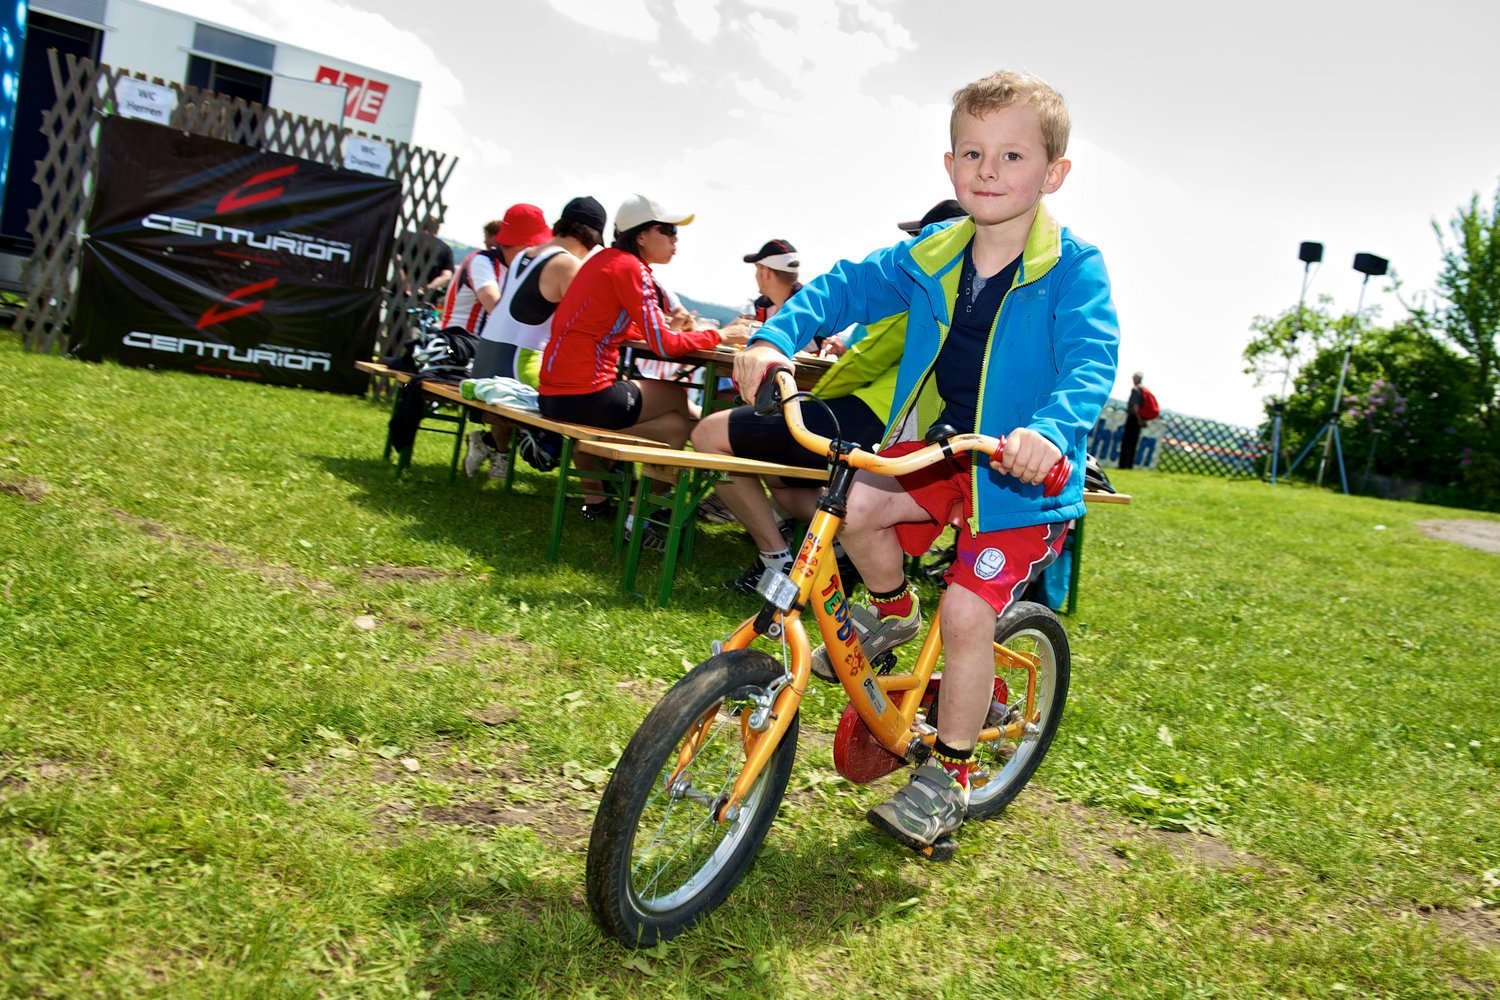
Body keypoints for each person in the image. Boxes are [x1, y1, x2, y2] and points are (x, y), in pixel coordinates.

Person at [732, 70, 1118, 855]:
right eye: (972, 153)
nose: (988, 170)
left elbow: (1090, 362)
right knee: (857, 505)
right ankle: (893, 608)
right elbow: (845, 288)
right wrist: (775, 337)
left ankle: (950, 777)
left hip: (1021, 475)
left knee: (969, 614)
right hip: (947, 450)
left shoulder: (1074, 268)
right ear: (949, 165)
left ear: (1054, 174)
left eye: (1012, 156)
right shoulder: (933, 253)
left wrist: (1049, 431)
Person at [693, 208, 964, 595]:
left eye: (919, 235)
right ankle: (841, 547)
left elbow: (867, 358)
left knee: (707, 434)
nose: (912, 245)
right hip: (908, 422)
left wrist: (812, 399)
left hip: (876, 415)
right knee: (780, 475)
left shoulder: (927, 277)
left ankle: (776, 559)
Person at [539, 194, 749, 516]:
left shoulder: (603, 260)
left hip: (553, 396)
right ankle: (645, 514)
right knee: (677, 396)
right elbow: (664, 346)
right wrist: (720, 335)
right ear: (640, 235)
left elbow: (609, 325)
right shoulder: (631, 268)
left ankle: (617, 506)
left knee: (675, 427)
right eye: (668, 230)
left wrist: (668, 330)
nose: (675, 239)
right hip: (585, 396)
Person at [463, 196, 608, 479]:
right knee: (592, 402)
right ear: (591, 239)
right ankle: (594, 479)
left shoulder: (524, 254)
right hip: (515, 368)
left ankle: (497, 445)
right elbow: (592, 324)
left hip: (486, 360)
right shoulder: (568, 265)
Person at [1118, 370, 1148, 470]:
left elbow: (1135, 406)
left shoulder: (1135, 390)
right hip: (1139, 419)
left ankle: (1123, 464)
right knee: (1133, 442)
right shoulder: (1142, 390)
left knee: (1127, 442)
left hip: (1133, 418)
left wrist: (1138, 418)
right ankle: (1129, 464)